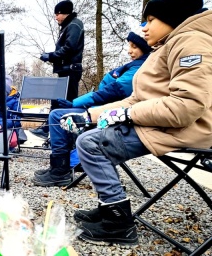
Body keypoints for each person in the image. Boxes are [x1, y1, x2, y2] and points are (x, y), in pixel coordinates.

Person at [60, 0, 211, 245]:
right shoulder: (168, 45)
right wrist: (90, 115)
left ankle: (118, 222)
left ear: (174, 17)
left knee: (91, 143)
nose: (144, 28)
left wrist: (127, 115)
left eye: (151, 20)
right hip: (164, 123)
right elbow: (136, 99)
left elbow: (186, 107)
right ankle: (111, 207)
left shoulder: (192, 42)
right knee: (90, 134)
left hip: (187, 129)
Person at [31, 26, 152, 187]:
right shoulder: (135, 65)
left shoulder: (139, 68)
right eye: (129, 46)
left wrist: (75, 103)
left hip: (112, 114)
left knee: (58, 115)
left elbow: (110, 92)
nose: (130, 51)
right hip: (107, 108)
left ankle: (60, 171)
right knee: (58, 113)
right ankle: (61, 167)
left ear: (145, 48)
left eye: (134, 47)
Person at [31, 0, 85, 138]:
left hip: (70, 70)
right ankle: (48, 129)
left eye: (57, 14)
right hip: (65, 70)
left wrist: (50, 56)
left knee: (67, 103)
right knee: (56, 100)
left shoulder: (74, 25)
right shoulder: (69, 26)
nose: (56, 18)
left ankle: (71, 135)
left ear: (63, 13)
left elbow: (69, 48)